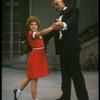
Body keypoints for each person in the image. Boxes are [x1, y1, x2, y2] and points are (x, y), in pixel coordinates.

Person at [43, 0, 89, 100]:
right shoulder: (57, 19)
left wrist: (62, 25)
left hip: (72, 48)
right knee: (65, 74)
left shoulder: (73, 10)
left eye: (57, 3)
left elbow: (72, 22)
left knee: (76, 74)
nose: (55, 6)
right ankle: (65, 96)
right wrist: (37, 38)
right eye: (54, 5)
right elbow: (50, 33)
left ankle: (83, 98)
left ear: (63, 2)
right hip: (62, 49)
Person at [13, 16, 54, 100]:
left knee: (29, 77)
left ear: (37, 25)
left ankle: (18, 91)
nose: (33, 26)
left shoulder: (37, 34)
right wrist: (52, 27)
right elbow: (42, 32)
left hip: (39, 58)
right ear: (29, 26)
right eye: (31, 24)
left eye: (35, 24)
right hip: (35, 59)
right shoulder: (32, 34)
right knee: (34, 80)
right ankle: (35, 99)